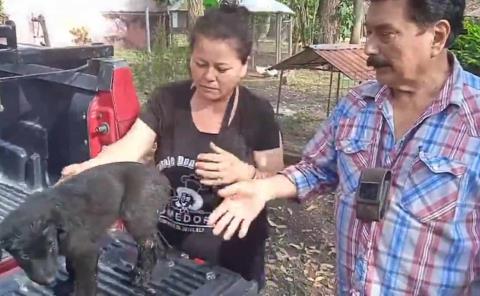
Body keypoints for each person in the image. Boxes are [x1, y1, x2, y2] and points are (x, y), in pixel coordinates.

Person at [208, 0, 480, 294]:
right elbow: (315, 169)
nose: (368, 48)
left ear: (437, 37)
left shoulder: (473, 118)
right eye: (368, 32)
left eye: (385, 34)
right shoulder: (356, 105)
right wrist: (264, 188)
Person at [60, 5, 283, 289]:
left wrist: (245, 173)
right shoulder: (167, 100)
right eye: (200, 64)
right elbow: (128, 149)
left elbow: (276, 179)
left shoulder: (257, 113)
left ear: (244, 66)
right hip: (168, 249)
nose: (208, 76)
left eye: (222, 68)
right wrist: (85, 170)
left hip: (231, 257)